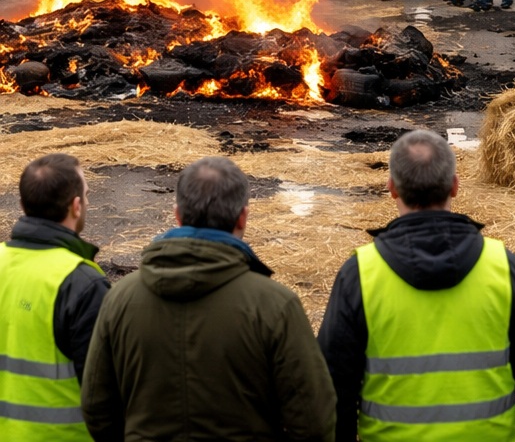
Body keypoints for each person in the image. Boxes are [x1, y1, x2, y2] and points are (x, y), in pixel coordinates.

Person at [317, 129, 515, 442]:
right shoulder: (503, 267)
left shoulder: (361, 274)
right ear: (455, 186)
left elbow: (332, 389)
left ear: (391, 187)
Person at [80, 157, 335, 442]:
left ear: (177, 215)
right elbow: (314, 421)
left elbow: (96, 406)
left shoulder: (120, 298)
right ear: (243, 217)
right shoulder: (275, 304)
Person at [0, 153, 110, 439]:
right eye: (86, 195)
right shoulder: (82, 283)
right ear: (76, 206)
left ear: (24, 204)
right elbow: (104, 391)